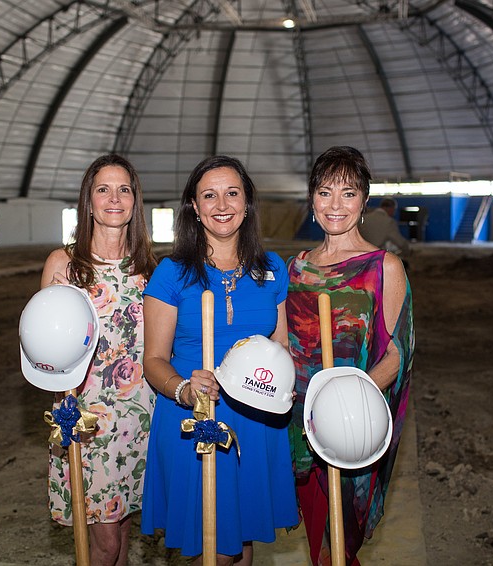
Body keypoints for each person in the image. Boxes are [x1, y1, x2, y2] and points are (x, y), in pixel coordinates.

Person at [140, 155, 298, 565]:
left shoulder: (273, 269)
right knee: (212, 550)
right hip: (196, 417)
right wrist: (184, 389)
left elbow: (280, 343)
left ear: (247, 202)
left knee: (242, 544)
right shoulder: (171, 273)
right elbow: (154, 360)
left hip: (256, 417)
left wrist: (286, 383)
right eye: (209, 195)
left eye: (232, 193)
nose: (222, 204)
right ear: (194, 206)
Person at [286, 146, 414, 565]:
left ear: (363, 201)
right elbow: (284, 342)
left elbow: (398, 352)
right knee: (316, 540)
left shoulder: (384, 266)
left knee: (337, 550)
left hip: (350, 423)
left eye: (348, 193)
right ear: (312, 199)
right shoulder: (297, 268)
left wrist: (346, 400)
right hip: (301, 425)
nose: (335, 205)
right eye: (325, 192)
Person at [40, 154, 157, 566]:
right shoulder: (64, 264)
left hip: (139, 416)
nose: (114, 198)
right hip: (88, 419)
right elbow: (43, 353)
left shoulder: (151, 270)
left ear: (134, 201)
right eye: (103, 189)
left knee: (122, 534)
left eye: (123, 189)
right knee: (104, 544)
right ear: (88, 202)